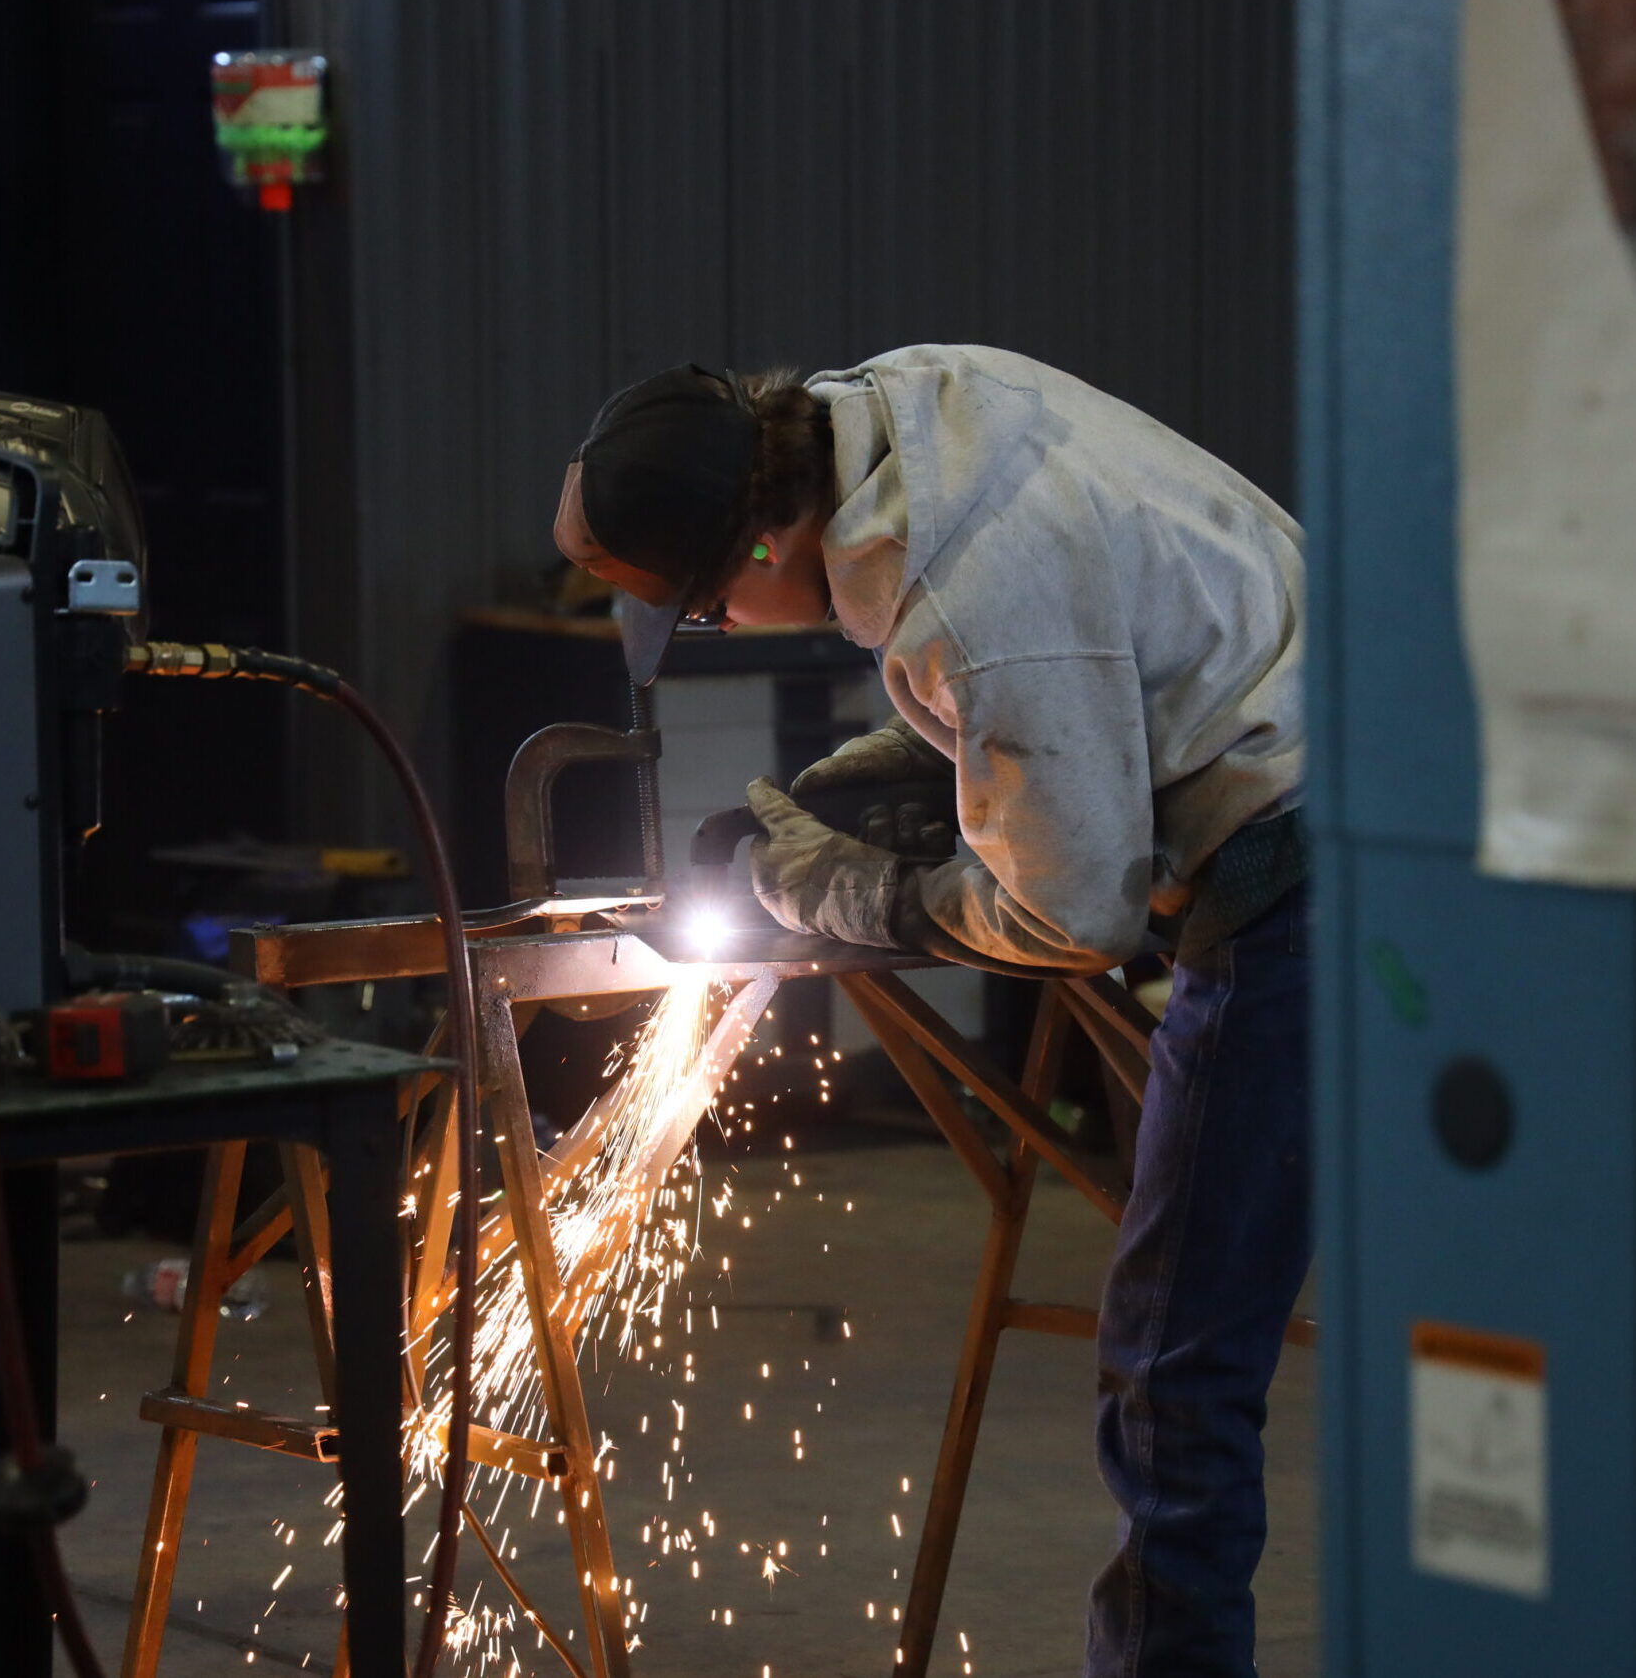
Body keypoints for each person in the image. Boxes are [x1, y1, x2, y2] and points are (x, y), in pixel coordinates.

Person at [553, 345, 1307, 1678]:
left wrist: (852, 892)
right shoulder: (915, 405)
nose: (723, 627)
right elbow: (1059, 655)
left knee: (1175, 1365)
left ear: (771, 533)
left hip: (1302, 880)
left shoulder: (976, 595)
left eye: (714, 610)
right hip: (1342, 775)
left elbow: (1077, 918)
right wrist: (885, 772)